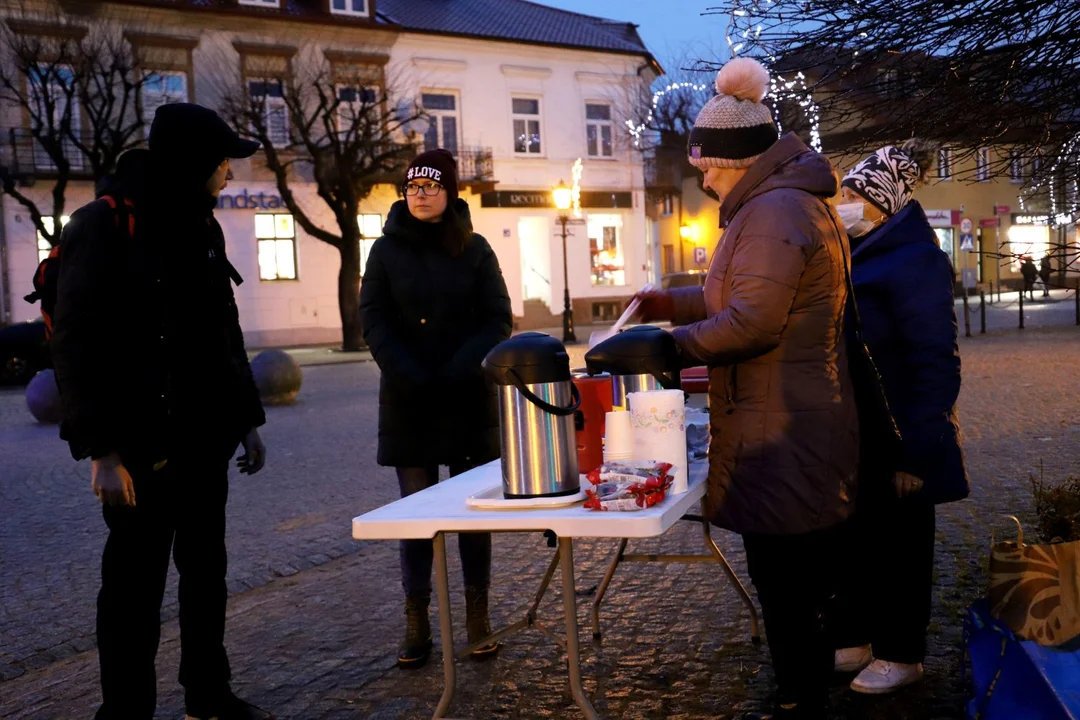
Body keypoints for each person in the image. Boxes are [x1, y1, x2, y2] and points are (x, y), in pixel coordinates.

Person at [634, 57, 859, 720]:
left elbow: (753, 322)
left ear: (735, 159)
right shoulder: (772, 207)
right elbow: (731, 296)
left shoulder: (773, 213)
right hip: (785, 421)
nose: (700, 175)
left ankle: (800, 699)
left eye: (706, 163)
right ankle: (798, 690)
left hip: (785, 428)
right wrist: (666, 304)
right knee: (789, 581)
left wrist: (663, 348)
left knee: (789, 584)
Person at [51, 104, 272, 720]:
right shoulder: (102, 224)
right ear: (193, 161)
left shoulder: (203, 224)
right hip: (141, 449)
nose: (229, 170)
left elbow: (223, 331)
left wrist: (246, 419)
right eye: (222, 158)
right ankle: (125, 712)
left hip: (206, 441)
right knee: (132, 594)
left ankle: (208, 693)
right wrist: (100, 451)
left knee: (207, 579)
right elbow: (73, 342)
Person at [360, 149, 512, 669]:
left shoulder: (476, 248)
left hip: (465, 396)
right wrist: (408, 371)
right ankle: (416, 619)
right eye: (412, 186)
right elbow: (373, 320)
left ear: (449, 193)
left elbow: (497, 319)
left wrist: (461, 366)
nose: (420, 193)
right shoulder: (382, 252)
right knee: (416, 514)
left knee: (473, 514)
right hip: (409, 401)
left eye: (430, 186)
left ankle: (477, 616)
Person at [832, 140, 969, 694]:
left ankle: (903, 652)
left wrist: (915, 451)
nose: (839, 202)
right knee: (863, 539)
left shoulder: (915, 259)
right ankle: (861, 638)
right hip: (865, 430)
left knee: (903, 547)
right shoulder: (860, 250)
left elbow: (935, 359)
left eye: (849, 194)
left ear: (881, 201)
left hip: (904, 431)